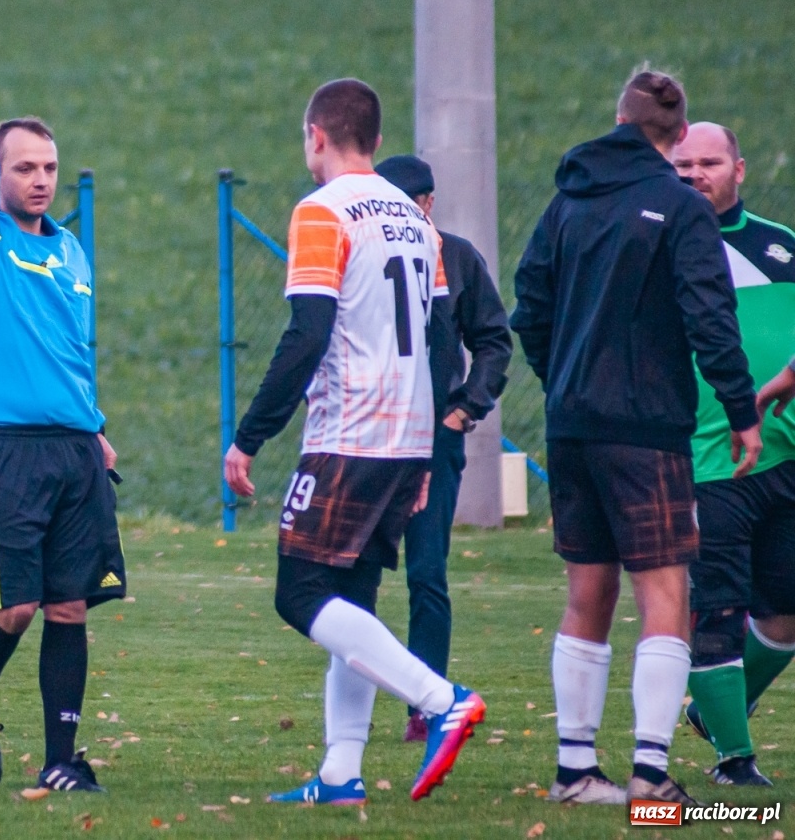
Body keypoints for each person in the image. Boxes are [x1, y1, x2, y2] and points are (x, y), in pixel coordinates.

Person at [224, 78, 487, 808]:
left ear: (317, 135)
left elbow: (307, 333)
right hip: (407, 434)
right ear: (373, 137)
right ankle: (341, 773)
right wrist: (428, 445)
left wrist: (249, 437)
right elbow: (441, 342)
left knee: (299, 591)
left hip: (352, 431)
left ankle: (440, 699)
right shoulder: (413, 216)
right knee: (351, 597)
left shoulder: (321, 211)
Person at [511, 72, 762, 807]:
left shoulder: (568, 201)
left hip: (572, 424)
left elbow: (530, 307)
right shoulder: (683, 210)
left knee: (587, 588)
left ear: (618, 118)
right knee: (666, 591)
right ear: (678, 136)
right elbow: (709, 318)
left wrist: (561, 379)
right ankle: (651, 772)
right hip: (648, 430)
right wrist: (741, 410)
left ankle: (575, 771)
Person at [0, 8, 126, 794]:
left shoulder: (71, 248)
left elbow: (72, 350)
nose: (39, 178)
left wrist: (98, 429)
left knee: (69, 608)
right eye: (25, 168)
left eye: (48, 167)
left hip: (74, 450)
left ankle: (62, 759)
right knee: (14, 609)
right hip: (5, 450)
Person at [670, 122, 795, 785]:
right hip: (706, 462)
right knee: (716, 607)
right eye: (681, 163)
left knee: (787, 605)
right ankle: (733, 761)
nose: (694, 173)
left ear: (739, 170)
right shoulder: (656, 249)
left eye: (709, 162)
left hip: (784, 458)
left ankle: (722, 706)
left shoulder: (782, 246)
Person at [373, 155, 513, 744]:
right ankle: (350, 718)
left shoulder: (456, 258)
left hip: (433, 439)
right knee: (350, 579)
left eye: (402, 204)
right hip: (370, 436)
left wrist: (464, 410)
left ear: (427, 204)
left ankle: (426, 707)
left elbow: (494, 340)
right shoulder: (363, 257)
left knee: (427, 573)